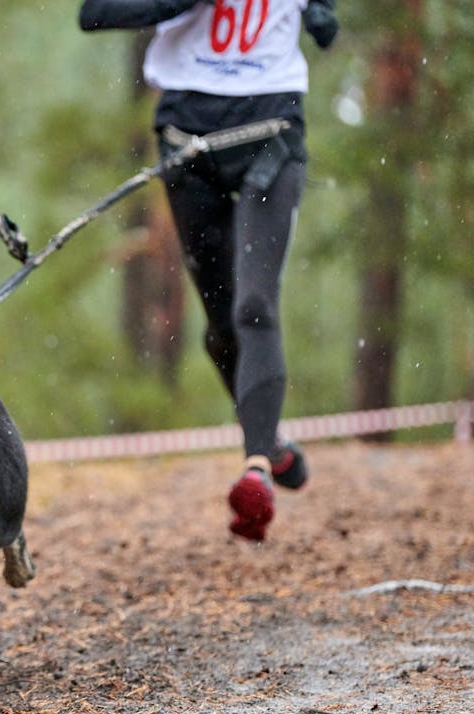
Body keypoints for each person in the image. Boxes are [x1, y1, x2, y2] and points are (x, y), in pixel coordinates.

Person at [78, 0, 338, 541]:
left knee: (255, 306)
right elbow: (95, 13)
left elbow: (327, 26)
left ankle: (256, 471)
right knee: (222, 328)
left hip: (272, 136)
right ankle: (273, 444)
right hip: (188, 145)